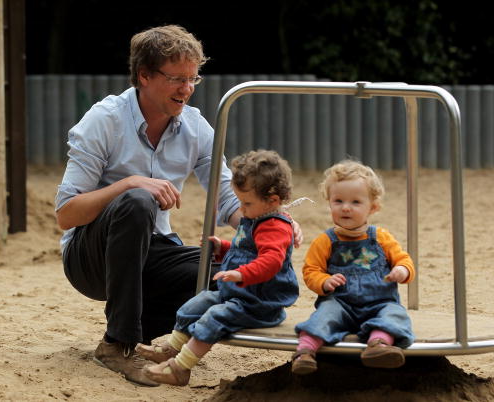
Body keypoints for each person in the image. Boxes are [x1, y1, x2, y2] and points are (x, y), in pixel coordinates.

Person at [54, 25, 301, 386]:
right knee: (138, 201)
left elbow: (227, 199)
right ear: (144, 76)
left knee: (228, 266)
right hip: (90, 259)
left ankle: (147, 338)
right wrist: (130, 182)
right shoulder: (104, 121)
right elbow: (66, 214)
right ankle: (117, 344)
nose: (186, 89)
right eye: (176, 79)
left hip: (153, 250)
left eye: (193, 78)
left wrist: (271, 220)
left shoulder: (196, 128)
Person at [135, 149, 299, 386]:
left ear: (273, 200)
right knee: (195, 304)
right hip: (236, 294)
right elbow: (246, 247)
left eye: (246, 203)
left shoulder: (275, 226)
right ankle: (171, 349)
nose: (241, 208)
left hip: (260, 303)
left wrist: (241, 273)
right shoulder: (255, 217)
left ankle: (180, 368)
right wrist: (222, 247)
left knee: (213, 317)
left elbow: (271, 261)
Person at [291, 160, 415, 375]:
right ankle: (305, 352)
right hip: (340, 303)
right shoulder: (325, 241)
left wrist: (401, 271)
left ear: (373, 207)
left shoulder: (382, 238)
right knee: (323, 315)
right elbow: (311, 270)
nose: (345, 207)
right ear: (329, 203)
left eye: (356, 202)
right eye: (338, 201)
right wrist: (324, 282)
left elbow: (404, 261)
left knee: (395, 314)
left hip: (380, 303)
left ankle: (378, 345)